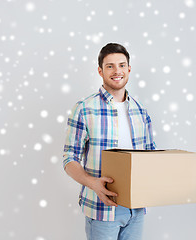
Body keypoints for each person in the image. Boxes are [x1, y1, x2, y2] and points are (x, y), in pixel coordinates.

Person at [63, 43, 156, 240]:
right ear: (100, 71)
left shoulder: (141, 111)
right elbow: (69, 159)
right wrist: (93, 183)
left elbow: (152, 157)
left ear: (129, 69)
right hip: (101, 209)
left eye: (122, 65)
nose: (117, 71)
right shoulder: (84, 108)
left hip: (136, 209)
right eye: (110, 66)